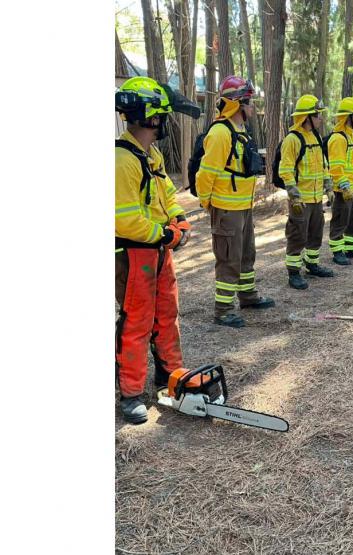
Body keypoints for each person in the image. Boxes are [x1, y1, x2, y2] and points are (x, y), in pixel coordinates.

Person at [114, 76, 194, 424]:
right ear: (151, 116)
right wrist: (165, 235)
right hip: (134, 254)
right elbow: (125, 220)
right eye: (162, 115)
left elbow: (166, 196)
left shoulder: (152, 155)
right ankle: (130, 392)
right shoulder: (121, 160)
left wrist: (179, 220)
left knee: (167, 315)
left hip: (159, 253)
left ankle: (170, 376)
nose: (165, 121)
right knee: (137, 322)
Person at [195, 75, 275, 328]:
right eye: (249, 101)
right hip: (227, 208)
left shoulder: (240, 130)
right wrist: (209, 205)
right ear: (237, 103)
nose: (252, 107)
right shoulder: (220, 132)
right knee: (229, 259)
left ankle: (248, 296)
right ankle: (223, 310)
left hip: (243, 206)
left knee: (246, 255)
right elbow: (206, 173)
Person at [279, 94, 336, 289]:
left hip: (315, 198)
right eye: (318, 114)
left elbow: (324, 165)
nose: (321, 118)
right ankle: (294, 273)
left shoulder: (316, 137)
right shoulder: (292, 139)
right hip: (300, 200)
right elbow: (285, 170)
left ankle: (312, 264)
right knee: (297, 235)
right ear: (307, 117)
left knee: (315, 233)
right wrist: (294, 197)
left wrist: (328, 188)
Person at [327, 97, 353, 265]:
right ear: (348, 117)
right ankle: (337, 251)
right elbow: (336, 167)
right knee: (340, 220)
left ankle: (351, 247)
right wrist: (344, 186)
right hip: (342, 189)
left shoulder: (352, 136)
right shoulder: (338, 139)